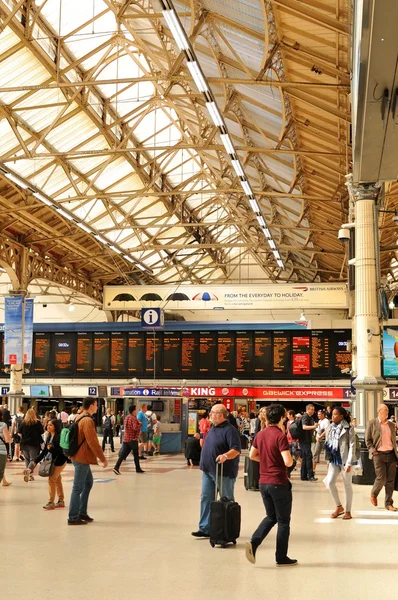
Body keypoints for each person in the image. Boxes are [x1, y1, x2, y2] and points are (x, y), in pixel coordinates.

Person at [245, 403, 296, 567]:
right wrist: (292, 460)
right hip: (278, 482)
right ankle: (281, 557)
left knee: (271, 516)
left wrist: (267, 461)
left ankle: (254, 542)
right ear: (282, 418)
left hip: (263, 483)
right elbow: (288, 462)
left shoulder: (260, 434)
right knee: (283, 521)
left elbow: (252, 455)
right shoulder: (280, 436)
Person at [191, 404, 241, 538]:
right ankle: (205, 528)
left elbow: (236, 450)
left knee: (226, 499)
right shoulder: (213, 427)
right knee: (206, 498)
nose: (210, 414)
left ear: (220, 415)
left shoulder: (230, 430)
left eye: (212, 412)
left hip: (223, 472)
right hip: (208, 470)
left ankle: (228, 529)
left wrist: (225, 456)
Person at [67, 397, 108, 525]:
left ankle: (82, 512)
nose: (97, 407)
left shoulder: (78, 417)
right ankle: (73, 517)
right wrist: (103, 458)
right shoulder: (87, 421)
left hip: (78, 455)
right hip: (82, 457)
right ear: (91, 406)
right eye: (96, 405)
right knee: (77, 488)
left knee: (88, 482)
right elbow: (92, 441)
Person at [323, 407, 355, 519]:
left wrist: (349, 463)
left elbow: (352, 445)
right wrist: (328, 460)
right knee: (330, 482)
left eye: (335, 414)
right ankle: (339, 506)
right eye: (332, 414)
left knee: (347, 485)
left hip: (345, 459)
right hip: (334, 459)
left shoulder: (349, 427)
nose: (332, 416)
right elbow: (328, 444)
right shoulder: (330, 427)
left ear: (341, 416)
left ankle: (348, 511)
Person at [366, 403, 398, 511]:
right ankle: (373, 494)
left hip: (391, 454)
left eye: (388, 411)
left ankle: (389, 503)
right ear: (379, 411)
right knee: (381, 478)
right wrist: (373, 450)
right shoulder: (372, 423)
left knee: (390, 481)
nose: (387, 413)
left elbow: (393, 439)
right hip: (378, 455)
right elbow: (368, 440)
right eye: (385, 411)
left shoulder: (391, 425)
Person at [32, 419, 68, 510]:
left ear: (55, 426)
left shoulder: (59, 436)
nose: (48, 426)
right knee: (57, 480)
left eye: (51, 425)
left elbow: (61, 451)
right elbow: (45, 451)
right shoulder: (48, 436)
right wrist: (36, 461)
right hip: (52, 460)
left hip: (60, 461)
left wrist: (51, 449)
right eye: (48, 425)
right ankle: (61, 501)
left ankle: (51, 502)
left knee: (52, 479)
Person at [113, 405, 144, 475]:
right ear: (133, 411)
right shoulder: (133, 418)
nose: (136, 411)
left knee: (123, 454)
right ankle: (138, 468)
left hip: (126, 438)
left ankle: (116, 467)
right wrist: (140, 425)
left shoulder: (126, 417)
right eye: (136, 410)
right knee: (136, 454)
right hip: (132, 439)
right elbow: (135, 428)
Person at [18, 408, 44, 482]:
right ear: (34, 414)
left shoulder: (23, 423)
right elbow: (42, 432)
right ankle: (28, 471)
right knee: (33, 459)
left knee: (27, 459)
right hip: (34, 443)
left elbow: (19, 433)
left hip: (24, 443)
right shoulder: (37, 423)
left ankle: (30, 475)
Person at [300, 404, 318, 481]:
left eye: (313, 409)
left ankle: (303, 476)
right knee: (308, 457)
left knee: (305, 458)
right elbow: (304, 427)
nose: (313, 411)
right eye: (312, 409)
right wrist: (314, 426)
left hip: (306, 440)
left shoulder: (309, 417)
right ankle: (310, 475)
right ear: (308, 409)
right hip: (305, 440)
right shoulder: (305, 416)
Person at [313, 409, 329, 474]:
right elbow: (317, 431)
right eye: (318, 414)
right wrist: (317, 437)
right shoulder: (319, 421)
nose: (318, 415)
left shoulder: (326, 421)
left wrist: (320, 437)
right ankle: (313, 469)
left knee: (327, 455)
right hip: (319, 439)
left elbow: (326, 431)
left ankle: (329, 470)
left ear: (323, 414)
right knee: (315, 453)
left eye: (319, 414)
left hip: (325, 440)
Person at [0, 408, 12, 487]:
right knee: (0, 471)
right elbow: (7, 439)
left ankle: (5, 481)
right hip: (1, 451)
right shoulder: (3, 425)